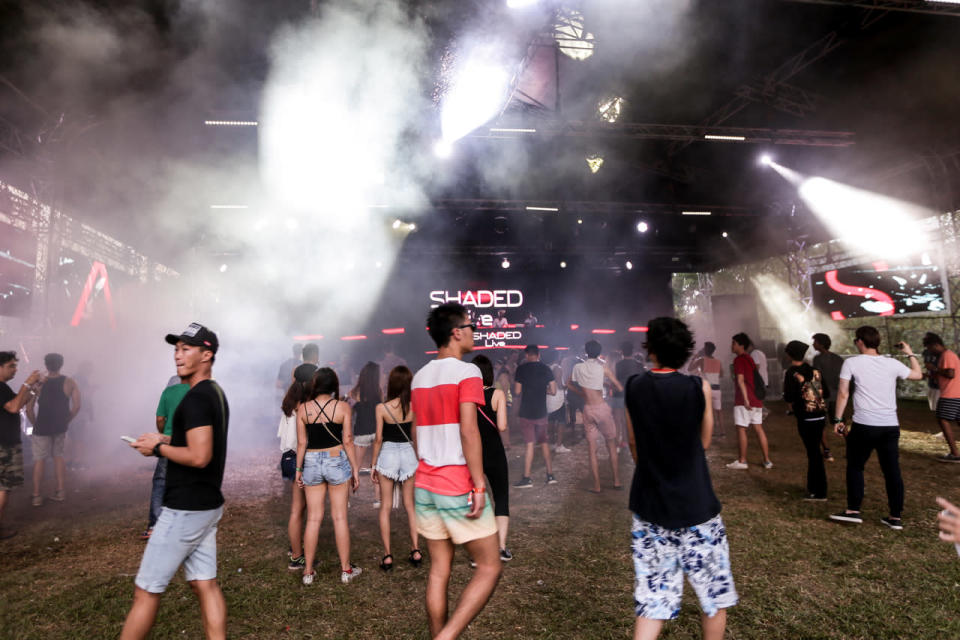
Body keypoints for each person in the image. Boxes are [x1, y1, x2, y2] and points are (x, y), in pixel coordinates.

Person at [624, 317, 737, 639]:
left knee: (652, 600)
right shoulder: (697, 387)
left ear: (651, 349)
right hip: (697, 505)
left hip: (650, 506)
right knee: (713, 597)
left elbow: (633, 443)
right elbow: (703, 442)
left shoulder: (634, 386)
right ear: (686, 351)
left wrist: (651, 467)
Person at [121, 323, 229, 640]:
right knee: (203, 583)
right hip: (207, 505)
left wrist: (157, 448)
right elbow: (201, 440)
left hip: (184, 508)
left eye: (186, 349)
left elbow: (199, 456)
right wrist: (165, 437)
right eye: (176, 349)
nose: (177, 356)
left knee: (146, 590)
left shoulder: (195, 400)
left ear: (207, 354)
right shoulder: (214, 392)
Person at [412, 303, 501, 640]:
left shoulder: (420, 376)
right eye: (471, 325)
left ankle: (439, 634)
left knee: (439, 570)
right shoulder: (468, 373)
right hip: (455, 483)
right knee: (490, 566)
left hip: (425, 482)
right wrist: (478, 484)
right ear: (456, 332)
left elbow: (418, 432)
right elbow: (468, 431)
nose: (474, 331)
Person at [828, 326, 922, 530]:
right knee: (892, 471)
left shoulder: (851, 362)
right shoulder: (892, 363)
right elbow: (917, 374)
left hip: (864, 424)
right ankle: (895, 517)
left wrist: (837, 420)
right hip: (890, 425)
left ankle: (853, 511)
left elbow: (843, 394)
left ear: (860, 341)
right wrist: (910, 353)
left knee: (855, 465)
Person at [295, 367, 362, 585]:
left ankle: (307, 572)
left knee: (313, 518)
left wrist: (298, 470)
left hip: (311, 462)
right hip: (336, 459)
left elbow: (302, 443)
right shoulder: (342, 407)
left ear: (314, 385)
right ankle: (345, 570)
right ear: (334, 385)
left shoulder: (303, 409)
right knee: (340, 517)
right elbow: (348, 440)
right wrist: (354, 469)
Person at [371, 365, 421, 571]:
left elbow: (379, 439)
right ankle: (416, 550)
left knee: (385, 507)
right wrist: (418, 458)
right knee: (410, 506)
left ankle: (388, 555)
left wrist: (374, 464)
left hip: (389, 454)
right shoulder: (414, 406)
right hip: (408, 453)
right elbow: (415, 435)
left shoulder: (382, 408)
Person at [471, 354, 512, 561]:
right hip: (494, 450)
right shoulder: (497, 394)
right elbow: (503, 426)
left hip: (473, 453)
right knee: (501, 496)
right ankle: (501, 547)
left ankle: (477, 552)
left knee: (477, 499)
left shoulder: (466, 397)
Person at [26, 353, 80, 506]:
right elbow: (77, 406)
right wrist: (66, 421)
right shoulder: (69, 382)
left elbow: (29, 408)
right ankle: (60, 491)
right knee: (59, 457)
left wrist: (34, 423)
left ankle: (36, 496)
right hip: (59, 426)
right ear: (61, 364)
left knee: (39, 460)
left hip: (42, 426)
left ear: (46, 365)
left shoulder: (39, 383)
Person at [568, 340, 623, 493]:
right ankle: (617, 481)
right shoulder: (603, 367)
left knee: (592, 449)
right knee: (611, 444)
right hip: (602, 408)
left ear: (586, 351)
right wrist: (608, 384)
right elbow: (618, 386)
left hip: (588, 409)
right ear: (599, 352)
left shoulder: (578, 367)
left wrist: (581, 392)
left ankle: (597, 486)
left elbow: (569, 384)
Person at [278, 363, 317, 570]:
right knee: (303, 510)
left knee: (298, 508)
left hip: (287, 458)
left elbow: (282, 436)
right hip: (299, 459)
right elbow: (301, 441)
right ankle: (297, 556)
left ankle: (296, 552)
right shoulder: (305, 406)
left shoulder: (290, 402)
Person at [141, 376, 190, 540]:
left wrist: (163, 433)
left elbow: (160, 419)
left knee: (161, 481)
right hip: (191, 441)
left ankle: (155, 525)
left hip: (169, 442)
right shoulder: (196, 390)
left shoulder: (168, 392)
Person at [0, 351, 41, 539]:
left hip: (5, 444)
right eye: (11, 366)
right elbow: (15, 407)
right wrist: (27, 383)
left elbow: (20, 403)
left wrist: (33, 389)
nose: (15, 369)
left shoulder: (4, 388)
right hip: (4, 446)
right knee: (3, 487)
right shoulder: (0, 388)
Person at [782, 340, 828, 501]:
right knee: (815, 451)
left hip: (805, 417)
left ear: (788, 354)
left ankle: (818, 491)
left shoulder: (791, 372)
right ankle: (815, 488)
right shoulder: (815, 369)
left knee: (813, 453)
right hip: (820, 415)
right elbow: (826, 392)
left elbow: (788, 396)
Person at [513, 344, 558, 488]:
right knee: (544, 443)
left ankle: (527, 478)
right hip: (541, 412)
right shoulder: (546, 368)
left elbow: (517, 391)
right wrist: (542, 390)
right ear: (539, 354)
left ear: (526, 355)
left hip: (526, 412)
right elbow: (553, 391)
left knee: (529, 444)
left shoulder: (521, 369)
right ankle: (550, 475)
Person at [726, 333, 772, 470]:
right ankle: (767, 461)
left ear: (741, 345)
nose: (731, 345)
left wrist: (745, 400)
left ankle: (742, 461)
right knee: (758, 428)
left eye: (734, 343)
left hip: (744, 400)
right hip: (756, 399)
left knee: (741, 429)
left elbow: (740, 380)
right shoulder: (750, 359)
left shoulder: (739, 360)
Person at [921, 333, 960, 462]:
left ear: (936, 345)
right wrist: (928, 375)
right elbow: (944, 374)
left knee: (942, 418)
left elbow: (950, 373)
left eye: (930, 348)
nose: (930, 351)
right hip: (956, 392)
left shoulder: (947, 355)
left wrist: (935, 368)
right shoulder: (947, 355)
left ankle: (955, 453)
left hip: (951, 393)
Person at [350, 361, 382, 504]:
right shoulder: (379, 391)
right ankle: (377, 499)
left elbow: (349, 412)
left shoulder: (355, 392)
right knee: (376, 467)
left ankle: (347, 499)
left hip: (361, 432)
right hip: (377, 432)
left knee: (355, 466)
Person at [812, 333, 843, 462]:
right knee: (840, 421)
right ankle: (852, 449)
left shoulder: (817, 359)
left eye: (815, 342)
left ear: (821, 344)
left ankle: (827, 452)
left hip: (823, 396)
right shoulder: (838, 358)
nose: (813, 344)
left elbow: (816, 379)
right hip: (836, 395)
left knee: (821, 425)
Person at [614, 341, 645, 447]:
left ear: (622, 352)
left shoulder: (618, 365)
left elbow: (616, 380)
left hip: (619, 394)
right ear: (632, 352)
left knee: (620, 419)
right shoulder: (639, 365)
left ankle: (622, 441)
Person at [690, 342, 723, 439]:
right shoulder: (718, 361)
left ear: (705, 350)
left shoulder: (701, 360)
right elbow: (721, 374)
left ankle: (711, 432)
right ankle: (722, 432)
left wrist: (695, 357)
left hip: (707, 389)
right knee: (719, 411)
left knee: (708, 411)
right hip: (717, 389)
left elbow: (690, 368)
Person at [543, 351, 569, 453]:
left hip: (548, 397)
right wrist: (567, 384)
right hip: (557, 398)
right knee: (561, 422)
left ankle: (551, 443)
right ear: (557, 357)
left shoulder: (545, 368)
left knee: (551, 421)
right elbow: (559, 385)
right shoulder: (557, 368)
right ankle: (559, 445)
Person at [922, 333, 942, 413]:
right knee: (933, 408)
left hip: (940, 387)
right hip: (932, 385)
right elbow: (928, 367)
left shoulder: (943, 354)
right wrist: (926, 374)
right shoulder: (926, 352)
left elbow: (948, 373)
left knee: (940, 411)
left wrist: (934, 369)